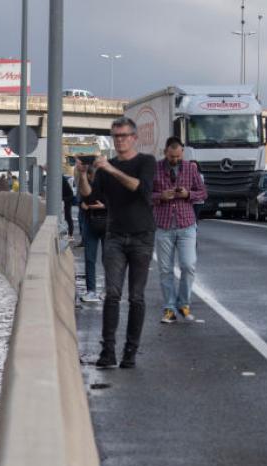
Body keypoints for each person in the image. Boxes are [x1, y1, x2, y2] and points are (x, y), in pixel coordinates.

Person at [77, 116, 157, 369]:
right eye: (116, 136)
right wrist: (81, 176)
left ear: (134, 137)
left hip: (142, 236)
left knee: (136, 297)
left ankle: (130, 352)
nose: (120, 140)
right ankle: (108, 351)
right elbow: (91, 198)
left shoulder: (146, 162)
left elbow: (140, 188)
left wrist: (111, 169)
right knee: (111, 295)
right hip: (114, 236)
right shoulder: (105, 168)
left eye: (124, 136)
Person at [153, 137, 208, 323]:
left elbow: (203, 192)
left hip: (186, 225)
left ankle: (184, 303)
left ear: (182, 152)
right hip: (164, 225)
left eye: (177, 156)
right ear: (165, 152)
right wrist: (161, 196)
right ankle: (169, 308)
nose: (174, 160)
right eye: (171, 156)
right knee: (165, 269)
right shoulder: (155, 169)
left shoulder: (191, 169)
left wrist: (188, 194)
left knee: (188, 265)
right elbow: (144, 194)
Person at [78, 161, 106, 303]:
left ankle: (108, 289)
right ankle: (91, 290)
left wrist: (104, 206)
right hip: (90, 222)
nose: (94, 177)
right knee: (89, 258)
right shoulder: (86, 183)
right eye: (92, 175)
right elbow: (82, 198)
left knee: (108, 259)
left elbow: (119, 203)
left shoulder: (110, 183)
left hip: (108, 223)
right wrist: (82, 204)